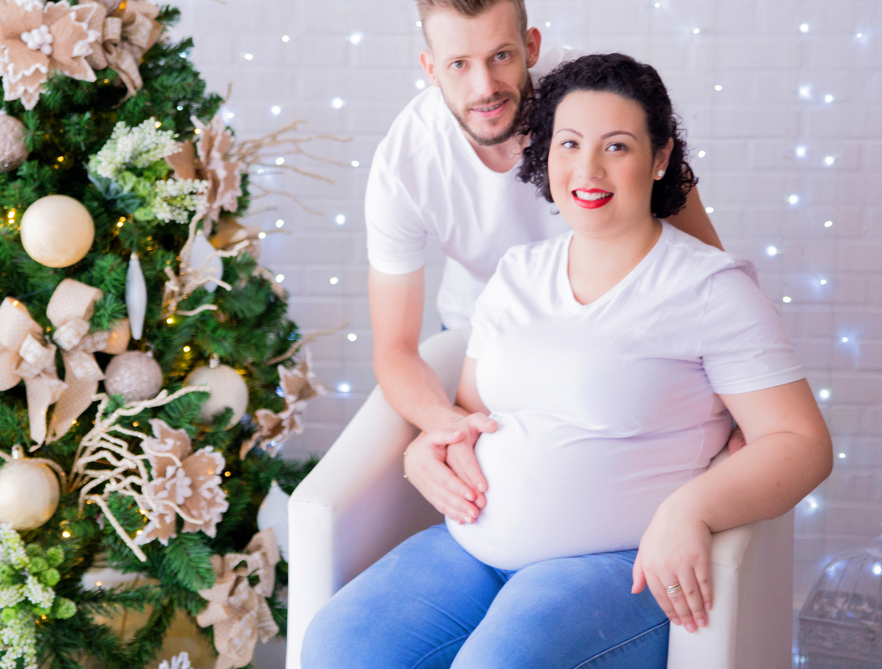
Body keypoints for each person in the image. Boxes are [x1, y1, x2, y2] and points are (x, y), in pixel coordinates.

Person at [303, 53, 834, 667]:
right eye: (570, 142)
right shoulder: (518, 273)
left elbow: (800, 442)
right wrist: (434, 443)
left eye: (617, 147)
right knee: (337, 645)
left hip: (611, 566)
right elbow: (475, 412)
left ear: (660, 158)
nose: (588, 168)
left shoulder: (710, 289)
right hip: (473, 552)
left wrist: (691, 508)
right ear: (546, 154)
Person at [366, 0, 726, 527]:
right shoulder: (404, 164)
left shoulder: (597, 104)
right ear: (430, 68)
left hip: (617, 329)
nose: (484, 87)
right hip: (483, 340)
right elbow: (394, 348)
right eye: (459, 64)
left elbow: (708, 262)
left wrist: (739, 419)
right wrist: (446, 424)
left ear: (532, 46)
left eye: (501, 56)